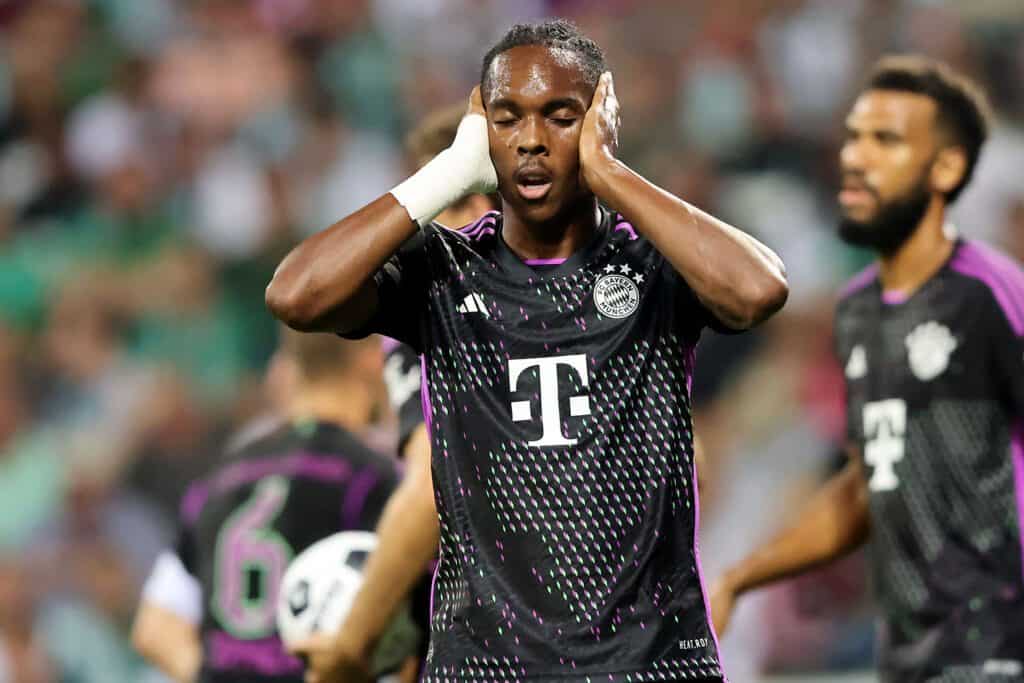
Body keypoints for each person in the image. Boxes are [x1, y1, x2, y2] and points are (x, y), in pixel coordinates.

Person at [267, 19, 787, 683]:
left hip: (654, 662)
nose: (532, 139)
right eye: (507, 118)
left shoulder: (651, 262)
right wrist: (445, 175)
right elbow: (296, 295)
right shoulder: (442, 270)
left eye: (561, 116)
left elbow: (758, 291)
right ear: (480, 130)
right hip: (486, 667)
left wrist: (610, 172)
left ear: (600, 120)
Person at [710, 56, 1024, 682]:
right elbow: (864, 484)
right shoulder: (861, 310)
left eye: (886, 141)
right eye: (855, 138)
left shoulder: (993, 299)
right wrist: (742, 577)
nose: (857, 158)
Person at [131, 330, 401, 683]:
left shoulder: (221, 477)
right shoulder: (374, 480)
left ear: (284, 370)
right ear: (371, 359)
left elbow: (155, 627)